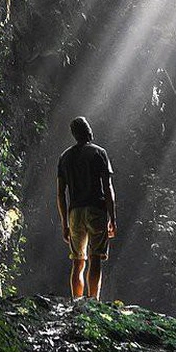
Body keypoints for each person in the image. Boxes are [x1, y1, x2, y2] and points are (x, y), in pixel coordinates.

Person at [56, 116, 117, 300]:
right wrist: (112, 218)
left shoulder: (64, 157)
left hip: (75, 213)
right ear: (88, 131)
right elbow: (108, 188)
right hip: (96, 210)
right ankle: (93, 301)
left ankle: (76, 301)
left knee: (78, 260)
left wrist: (64, 223)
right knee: (95, 257)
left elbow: (60, 193)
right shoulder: (99, 153)